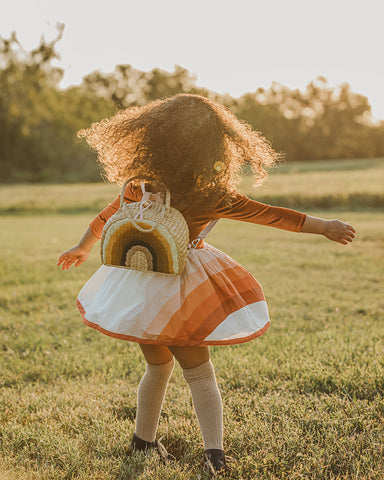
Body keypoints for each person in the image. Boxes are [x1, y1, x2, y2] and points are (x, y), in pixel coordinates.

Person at [57, 94, 355, 476]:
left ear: (154, 137)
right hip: (182, 285)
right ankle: (215, 456)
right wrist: (324, 227)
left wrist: (83, 247)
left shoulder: (140, 184)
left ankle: (142, 441)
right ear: (215, 145)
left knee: (158, 366)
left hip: (139, 281)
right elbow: (272, 216)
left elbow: (106, 217)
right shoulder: (211, 194)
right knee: (199, 373)